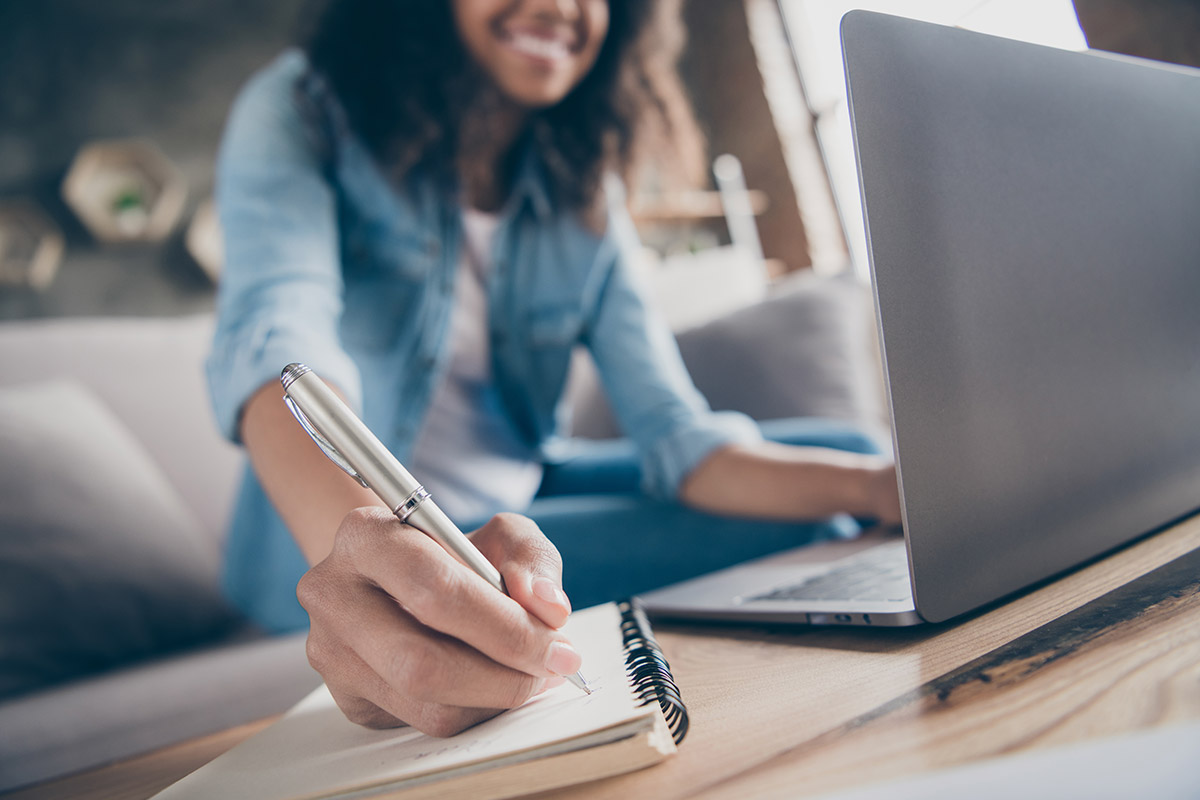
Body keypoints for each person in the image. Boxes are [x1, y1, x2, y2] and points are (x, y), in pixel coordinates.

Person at [207, 0, 901, 737]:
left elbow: (678, 433)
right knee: (807, 521)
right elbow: (275, 335)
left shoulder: (583, 192)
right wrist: (368, 559)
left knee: (859, 457)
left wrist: (884, 487)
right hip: (340, 534)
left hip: (528, 486)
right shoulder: (305, 107)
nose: (560, 6)